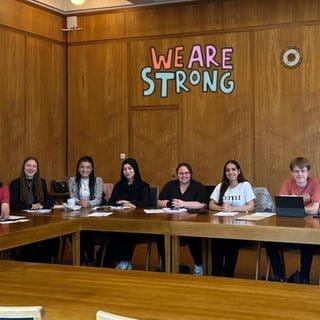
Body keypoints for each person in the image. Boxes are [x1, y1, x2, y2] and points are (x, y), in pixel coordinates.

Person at [266, 157, 320, 284]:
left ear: (308, 172)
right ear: (292, 173)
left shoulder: (316, 183)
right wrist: (304, 208)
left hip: (309, 229)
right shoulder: (287, 183)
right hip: (288, 228)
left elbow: (315, 209)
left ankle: (304, 278)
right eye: (296, 171)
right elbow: (281, 207)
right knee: (270, 243)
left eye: (302, 171)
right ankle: (279, 277)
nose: (299, 174)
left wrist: (294, 208)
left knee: (308, 244)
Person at [158, 162, 209, 275]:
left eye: (186, 173)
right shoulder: (170, 185)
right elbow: (159, 201)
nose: (184, 175)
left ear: (191, 174)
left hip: (192, 223)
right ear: (177, 174)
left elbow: (203, 204)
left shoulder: (197, 186)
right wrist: (168, 204)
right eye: (181, 173)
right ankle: (168, 265)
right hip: (171, 222)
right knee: (160, 234)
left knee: (193, 236)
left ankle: (198, 265)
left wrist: (183, 203)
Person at [209, 160, 256, 277]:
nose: (231, 172)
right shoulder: (221, 186)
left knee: (230, 243)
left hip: (240, 227)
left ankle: (228, 275)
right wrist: (221, 207)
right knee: (216, 242)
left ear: (239, 171)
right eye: (228, 170)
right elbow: (210, 204)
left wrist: (232, 209)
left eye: (233, 169)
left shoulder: (245, 185)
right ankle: (216, 275)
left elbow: (251, 206)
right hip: (222, 226)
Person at [10, 156, 58, 262]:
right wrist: (31, 206)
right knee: (30, 241)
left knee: (53, 238)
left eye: (34, 166)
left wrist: (41, 205)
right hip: (22, 222)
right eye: (28, 165)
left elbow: (50, 202)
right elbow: (14, 206)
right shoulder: (15, 183)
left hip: (40, 219)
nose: (31, 168)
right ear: (23, 167)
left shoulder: (41, 182)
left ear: (37, 169)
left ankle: (44, 262)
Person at [106, 158, 150, 270]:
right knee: (114, 232)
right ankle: (123, 261)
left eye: (130, 168)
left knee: (130, 231)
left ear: (135, 170)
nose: (127, 171)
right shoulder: (119, 185)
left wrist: (130, 203)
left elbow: (146, 202)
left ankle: (125, 261)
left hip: (138, 221)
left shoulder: (143, 185)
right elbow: (111, 201)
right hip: (119, 220)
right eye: (124, 169)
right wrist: (121, 203)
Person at [68, 155, 104, 265]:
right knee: (72, 230)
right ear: (78, 168)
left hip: (93, 212)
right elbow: (72, 196)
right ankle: (82, 259)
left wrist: (88, 203)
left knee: (88, 231)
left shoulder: (98, 180)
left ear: (92, 169)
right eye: (82, 167)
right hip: (77, 212)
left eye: (88, 167)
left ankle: (91, 258)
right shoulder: (72, 180)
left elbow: (99, 199)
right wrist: (79, 202)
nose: (85, 170)